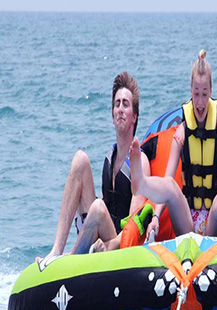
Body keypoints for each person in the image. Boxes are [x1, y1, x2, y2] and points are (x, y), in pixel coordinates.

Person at [37, 71, 149, 264]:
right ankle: (56, 251)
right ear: (112, 116)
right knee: (81, 160)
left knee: (98, 208)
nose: (120, 109)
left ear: (134, 117)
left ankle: (69, 262)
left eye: (126, 104)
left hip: (121, 248)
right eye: (117, 104)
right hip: (101, 236)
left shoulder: (140, 161)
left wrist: (109, 245)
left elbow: (134, 228)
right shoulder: (110, 156)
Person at [137, 49, 217, 241]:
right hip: (187, 222)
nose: (201, 101)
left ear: (211, 92)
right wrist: (155, 217)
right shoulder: (181, 132)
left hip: (214, 219)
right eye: (196, 94)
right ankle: (142, 183)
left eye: (204, 94)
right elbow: (167, 180)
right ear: (191, 92)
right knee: (170, 186)